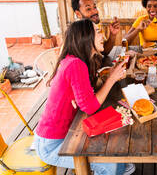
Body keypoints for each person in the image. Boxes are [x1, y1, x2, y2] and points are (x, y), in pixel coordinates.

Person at [33, 19, 135, 175]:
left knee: (116, 154)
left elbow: (85, 101)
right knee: (109, 164)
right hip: (52, 144)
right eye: (98, 32)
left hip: (67, 132)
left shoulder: (78, 60)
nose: (103, 36)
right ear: (86, 37)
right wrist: (111, 79)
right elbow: (90, 107)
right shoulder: (75, 64)